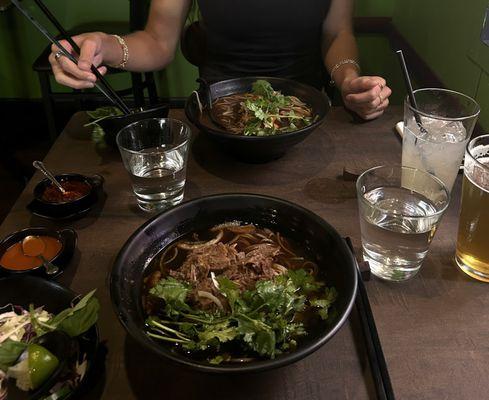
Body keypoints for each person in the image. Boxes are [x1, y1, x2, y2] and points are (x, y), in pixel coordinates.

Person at [49, 0, 392, 120]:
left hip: (306, 113)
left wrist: (348, 80)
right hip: (219, 112)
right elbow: (157, 41)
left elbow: (337, 33)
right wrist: (102, 45)